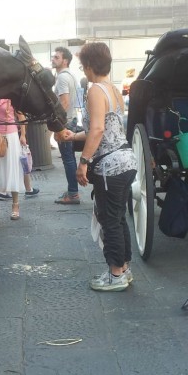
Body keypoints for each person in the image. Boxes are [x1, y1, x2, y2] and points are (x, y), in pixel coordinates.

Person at [60, 42, 136, 292]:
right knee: (118, 218)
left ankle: (115, 275)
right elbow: (108, 129)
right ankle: (123, 269)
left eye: (83, 66)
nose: (83, 71)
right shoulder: (113, 90)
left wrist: (83, 163)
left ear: (90, 66)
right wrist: (75, 137)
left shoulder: (94, 90)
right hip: (126, 161)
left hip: (110, 167)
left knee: (108, 220)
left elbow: (98, 129)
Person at [52, 47, 80, 205]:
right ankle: (72, 190)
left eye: (56, 57)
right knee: (69, 159)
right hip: (71, 120)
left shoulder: (62, 78)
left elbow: (64, 102)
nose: (53, 59)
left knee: (68, 160)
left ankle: (73, 194)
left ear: (65, 61)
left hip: (66, 122)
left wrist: (59, 126)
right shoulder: (70, 76)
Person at [0, 98, 24, 221]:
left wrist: (23, 135)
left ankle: (15, 204)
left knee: (12, 168)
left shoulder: (10, 97)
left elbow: (21, 116)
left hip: (10, 135)